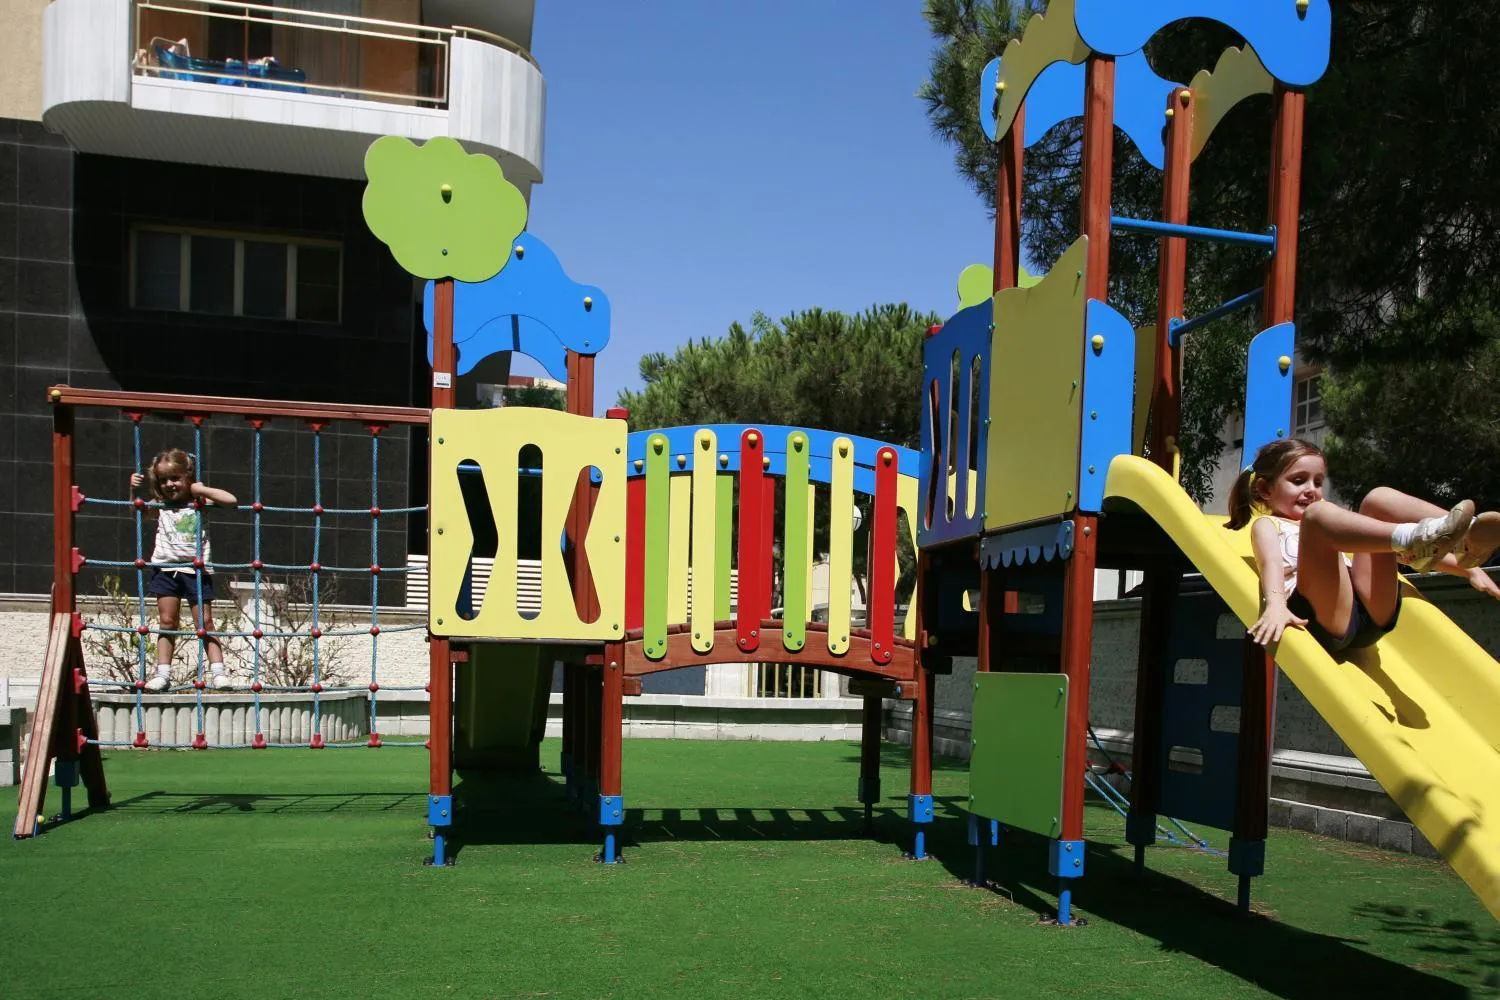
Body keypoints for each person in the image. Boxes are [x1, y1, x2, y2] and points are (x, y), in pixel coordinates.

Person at [1229, 438, 1500, 652]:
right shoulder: (1268, 525)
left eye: (1318, 482)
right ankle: (1412, 537)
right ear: (1265, 490)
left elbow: (1377, 549)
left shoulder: (1332, 522)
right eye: (1298, 481)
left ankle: (1466, 539)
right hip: (1323, 617)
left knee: (1377, 498)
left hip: (1372, 612)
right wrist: (1275, 604)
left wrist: (1468, 570)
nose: (1311, 489)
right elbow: (1271, 564)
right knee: (1319, 515)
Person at [130, 449, 238, 691]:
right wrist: (134, 491)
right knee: (167, 621)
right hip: (165, 568)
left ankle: (218, 672)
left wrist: (201, 489)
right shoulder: (161, 504)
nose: (169, 484)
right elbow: (138, 514)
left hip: (196, 570)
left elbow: (231, 501)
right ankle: (162, 674)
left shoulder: (199, 502)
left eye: (175, 478)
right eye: (163, 480)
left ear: (188, 476)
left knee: (205, 622)